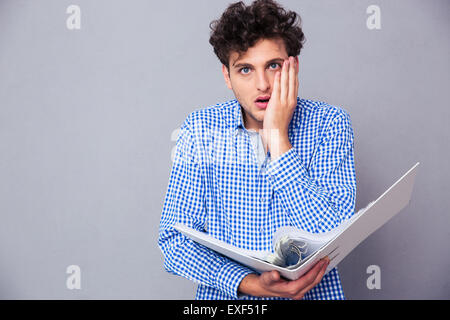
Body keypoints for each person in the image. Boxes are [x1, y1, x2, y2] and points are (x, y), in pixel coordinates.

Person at [158, 0, 356, 300]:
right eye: (245, 69)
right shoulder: (200, 129)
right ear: (227, 76)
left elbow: (332, 235)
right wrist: (250, 283)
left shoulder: (330, 124)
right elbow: (173, 242)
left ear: (294, 67)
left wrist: (277, 137)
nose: (262, 84)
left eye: (273, 66)